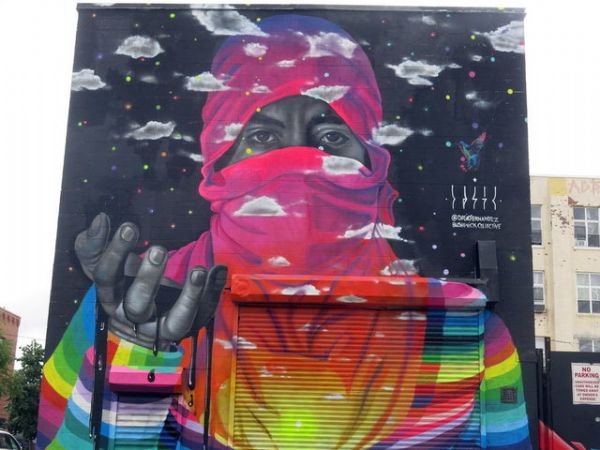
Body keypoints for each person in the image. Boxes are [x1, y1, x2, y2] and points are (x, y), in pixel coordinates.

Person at [37, 14, 531, 450]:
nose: (300, 160)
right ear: (216, 160)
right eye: (261, 136)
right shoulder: (134, 302)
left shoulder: (466, 331)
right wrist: (135, 351)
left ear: (374, 160)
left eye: (332, 136)